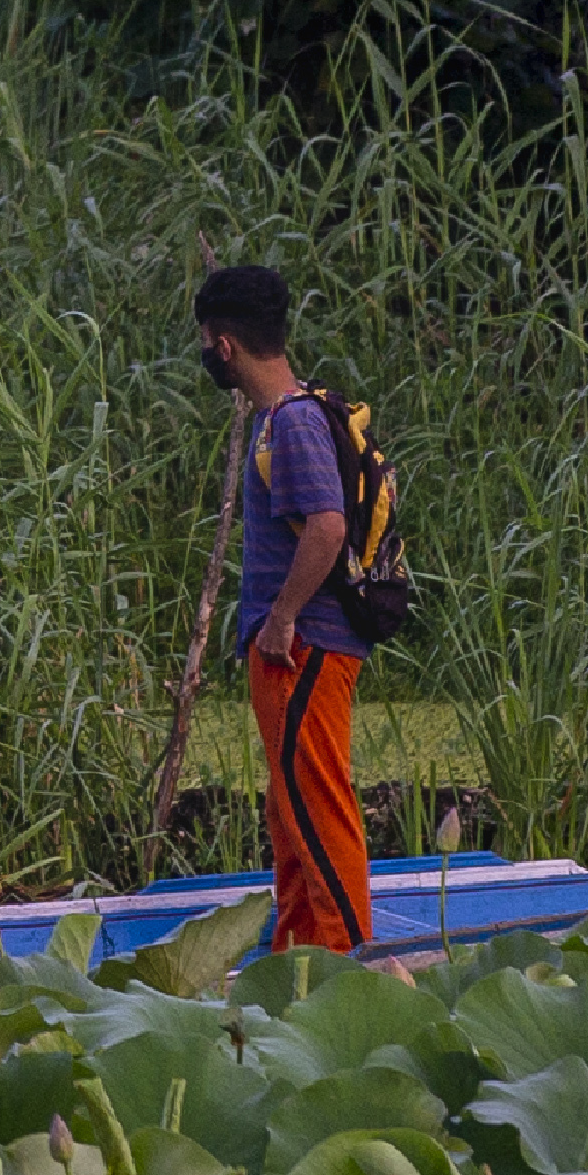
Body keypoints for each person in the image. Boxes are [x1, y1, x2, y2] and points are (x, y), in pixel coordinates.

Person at [197, 262, 377, 957]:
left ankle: (349, 963)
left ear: (223, 347)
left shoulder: (293, 422)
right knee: (291, 810)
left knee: (317, 807)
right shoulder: (284, 420)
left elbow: (328, 527)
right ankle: (297, 962)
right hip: (292, 650)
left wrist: (281, 617)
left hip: (303, 647)